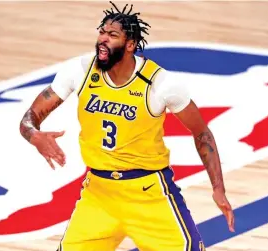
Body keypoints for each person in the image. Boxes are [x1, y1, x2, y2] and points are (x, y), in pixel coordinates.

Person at [19, 2, 235, 250]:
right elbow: (30, 117)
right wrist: (34, 135)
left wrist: (218, 188)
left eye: (112, 35)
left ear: (130, 44)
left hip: (149, 193)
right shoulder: (79, 71)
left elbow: (202, 132)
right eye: (101, 32)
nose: (103, 39)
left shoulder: (159, 84)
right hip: (99, 193)